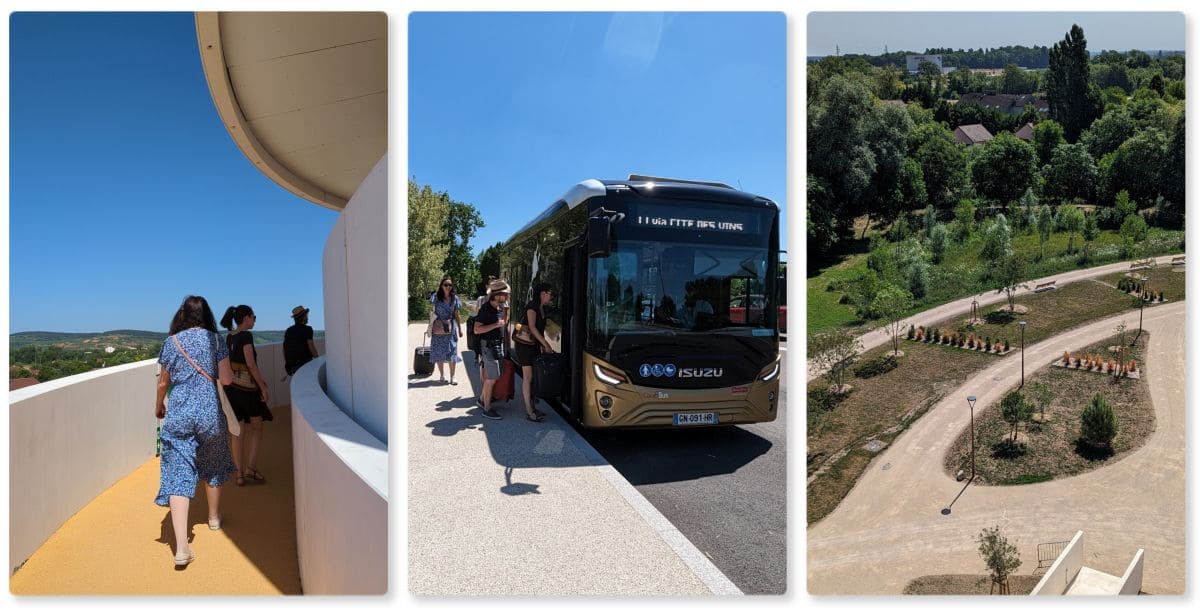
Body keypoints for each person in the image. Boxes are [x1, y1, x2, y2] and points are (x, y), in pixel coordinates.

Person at [155, 295, 237, 567]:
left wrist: (159, 408)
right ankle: (214, 518)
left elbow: (162, 383)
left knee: (179, 473)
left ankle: (181, 548)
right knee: (213, 464)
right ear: (206, 315)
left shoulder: (171, 342)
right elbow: (226, 379)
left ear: (182, 315)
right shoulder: (216, 340)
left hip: (179, 413)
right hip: (209, 413)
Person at [220, 304, 271, 487]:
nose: (255, 320)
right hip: (247, 390)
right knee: (257, 427)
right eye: (254, 317)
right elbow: (250, 364)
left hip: (231, 389)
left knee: (237, 431)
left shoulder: (229, 336)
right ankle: (251, 468)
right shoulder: (246, 336)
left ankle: (239, 475)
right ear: (247, 317)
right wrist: (263, 386)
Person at [512, 282, 554, 422]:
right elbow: (532, 327)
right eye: (550, 293)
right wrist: (546, 344)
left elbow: (540, 329)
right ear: (542, 294)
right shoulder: (532, 307)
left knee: (533, 377)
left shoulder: (542, 308)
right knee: (528, 377)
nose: (552, 296)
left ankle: (533, 406)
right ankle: (530, 411)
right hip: (524, 345)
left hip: (534, 345)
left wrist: (542, 344)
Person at [473, 279, 510, 420]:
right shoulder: (486, 309)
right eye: (505, 294)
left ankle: (482, 400)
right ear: (497, 294)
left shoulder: (499, 307)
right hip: (488, 346)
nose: (506, 297)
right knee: (491, 377)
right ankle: (487, 409)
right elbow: (477, 329)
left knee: (494, 375)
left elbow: (502, 325)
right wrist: (495, 325)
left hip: (496, 345)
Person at [428, 276, 464, 384]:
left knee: (452, 351)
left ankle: (453, 377)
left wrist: (460, 329)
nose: (448, 287)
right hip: (438, 326)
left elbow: (457, 315)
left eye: (450, 285)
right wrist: (430, 325)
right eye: (445, 285)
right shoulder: (436, 297)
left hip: (450, 328)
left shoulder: (455, 298)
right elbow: (432, 312)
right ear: (441, 286)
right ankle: (442, 375)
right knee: (439, 352)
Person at [283, 305, 319, 376]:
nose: (307, 317)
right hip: (305, 365)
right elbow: (311, 346)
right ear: (303, 317)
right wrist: (318, 359)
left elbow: (284, 350)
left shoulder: (289, 330)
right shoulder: (308, 329)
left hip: (292, 367)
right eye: (306, 315)